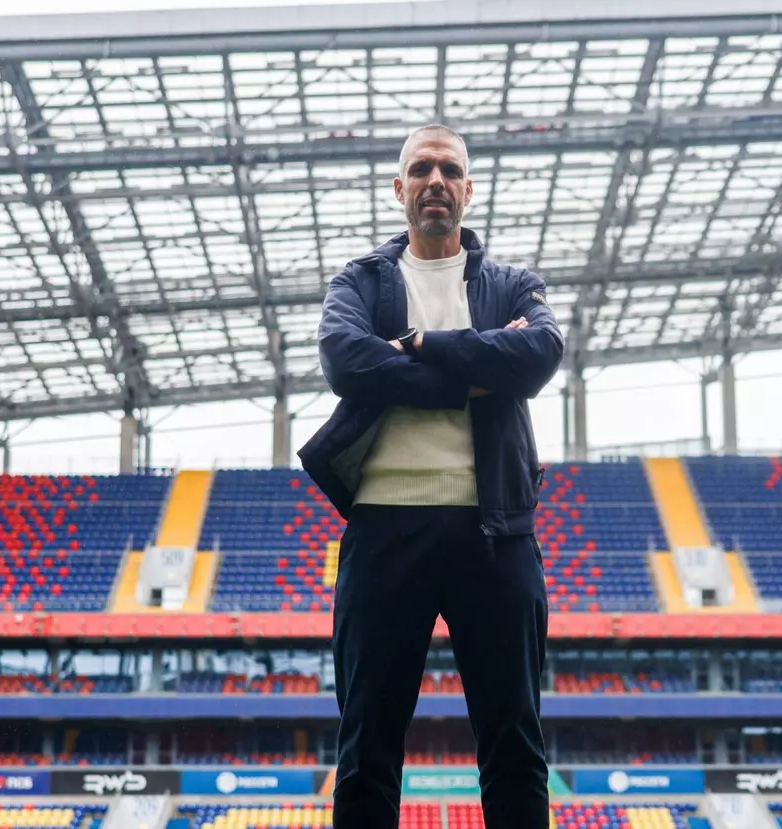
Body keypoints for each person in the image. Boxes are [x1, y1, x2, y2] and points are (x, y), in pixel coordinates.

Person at [298, 124, 564, 829]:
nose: (435, 180)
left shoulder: (513, 283)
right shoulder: (361, 281)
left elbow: (540, 352)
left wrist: (419, 344)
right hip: (383, 527)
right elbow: (344, 359)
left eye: (449, 169)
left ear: (468, 189)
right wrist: (476, 373)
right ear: (400, 188)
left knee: (515, 745)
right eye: (421, 169)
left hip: (496, 530)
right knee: (366, 749)